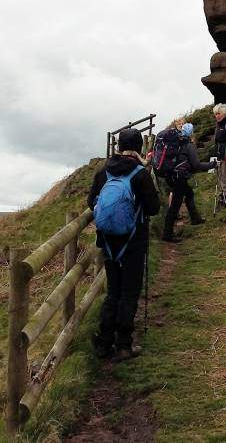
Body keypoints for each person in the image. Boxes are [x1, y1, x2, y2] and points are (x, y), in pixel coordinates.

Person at [88, 128, 160, 361]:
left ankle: (103, 342)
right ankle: (123, 346)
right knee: (129, 293)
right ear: (138, 148)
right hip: (133, 242)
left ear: (118, 147)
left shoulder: (103, 172)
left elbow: (91, 202)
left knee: (113, 292)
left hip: (108, 242)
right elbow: (153, 208)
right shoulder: (140, 174)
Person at [162, 122, 216, 242]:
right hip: (180, 177)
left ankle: (195, 218)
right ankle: (167, 234)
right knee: (175, 205)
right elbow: (197, 165)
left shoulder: (177, 143)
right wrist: (212, 164)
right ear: (191, 133)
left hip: (172, 176)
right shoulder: (188, 145)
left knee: (189, 193)